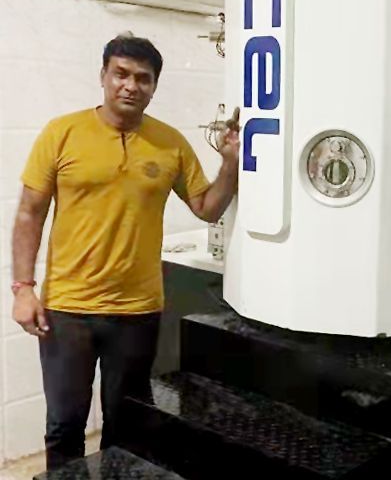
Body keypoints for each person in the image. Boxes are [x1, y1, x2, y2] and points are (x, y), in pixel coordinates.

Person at [11, 34, 239, 471]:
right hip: (68, 309)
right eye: (121, 74)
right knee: (64, 425)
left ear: (154, 86)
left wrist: (229, 163)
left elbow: (207, 208)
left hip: (138, 312)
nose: (131, 85)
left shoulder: (170, 143)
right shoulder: (62, 133)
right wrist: (23, 288)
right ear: (103, 76)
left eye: (143, 78)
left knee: (128, 424)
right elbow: (29, 214)